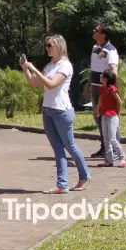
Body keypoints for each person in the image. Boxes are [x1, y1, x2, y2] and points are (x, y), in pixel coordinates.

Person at [22, 35, 91, 194]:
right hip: (47, 110)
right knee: (57, 148)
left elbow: (51, 85)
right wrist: (26, 69)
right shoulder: (49, 65)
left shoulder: (65, 66)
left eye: (50, 45)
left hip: (61, 110)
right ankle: (62, 184)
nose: (47, 48)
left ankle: (85, 175)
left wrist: (34, 69)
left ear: (59, 46)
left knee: (70, 146)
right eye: (46, 45)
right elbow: (34, 83)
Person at [90, 23, 120, 158]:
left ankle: (114, 150)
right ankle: (104, 147)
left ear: (104, 35)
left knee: (109, 119)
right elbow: (94, 68)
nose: (93, 31)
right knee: (99, 119)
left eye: (96, 30)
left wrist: (110, 90)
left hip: (104, 91)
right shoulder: (95, 48)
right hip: (95, 88)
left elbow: (113, 71)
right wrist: (88, 85)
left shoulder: (111, 51)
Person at [96, 70, 126, 167]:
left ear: (107, 79)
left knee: (113, 138)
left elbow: (119, 102)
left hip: (112, 116)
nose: (101, 78)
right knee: (106, 139)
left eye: (103, 76)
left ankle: (123, 157)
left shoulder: (112, 89)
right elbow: (101, 100)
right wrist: (97, 109)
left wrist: (118, 113)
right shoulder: (102, 88)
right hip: (104, 115)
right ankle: (109, 160)